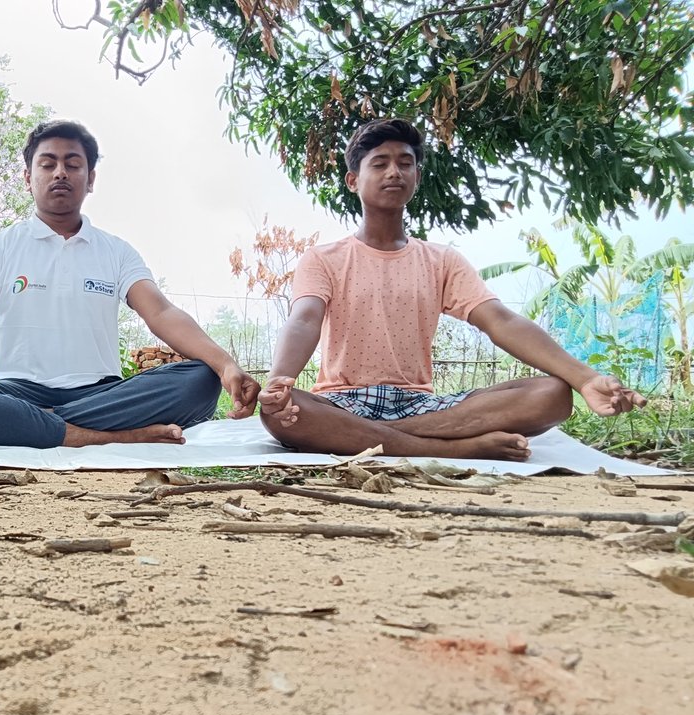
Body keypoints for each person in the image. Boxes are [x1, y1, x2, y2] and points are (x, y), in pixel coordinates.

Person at [259, 118, 645, 461]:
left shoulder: (441, 260)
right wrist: (278, 383)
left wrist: (584, 378)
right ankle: (451, 448)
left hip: (425, 406)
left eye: (405, 163)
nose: (394, 171)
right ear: (353, 180)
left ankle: (374, 441)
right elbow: (304, 318)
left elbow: (501, 321)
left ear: (417, 177)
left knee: (553, 396)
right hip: (342, 402)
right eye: (380, 163)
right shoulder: (325, 257)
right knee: (282, 412)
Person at [0, 120, 259, 448]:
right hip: (16, 390)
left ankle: (35, 424)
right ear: (29, 178)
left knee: (199, 379)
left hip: (103, 392)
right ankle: (103, 435)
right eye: (48, 164)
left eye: (72, 164)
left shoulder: (116, 251)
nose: (60, 172)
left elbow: (160, 312)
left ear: (90, 179)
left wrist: (226, 366)